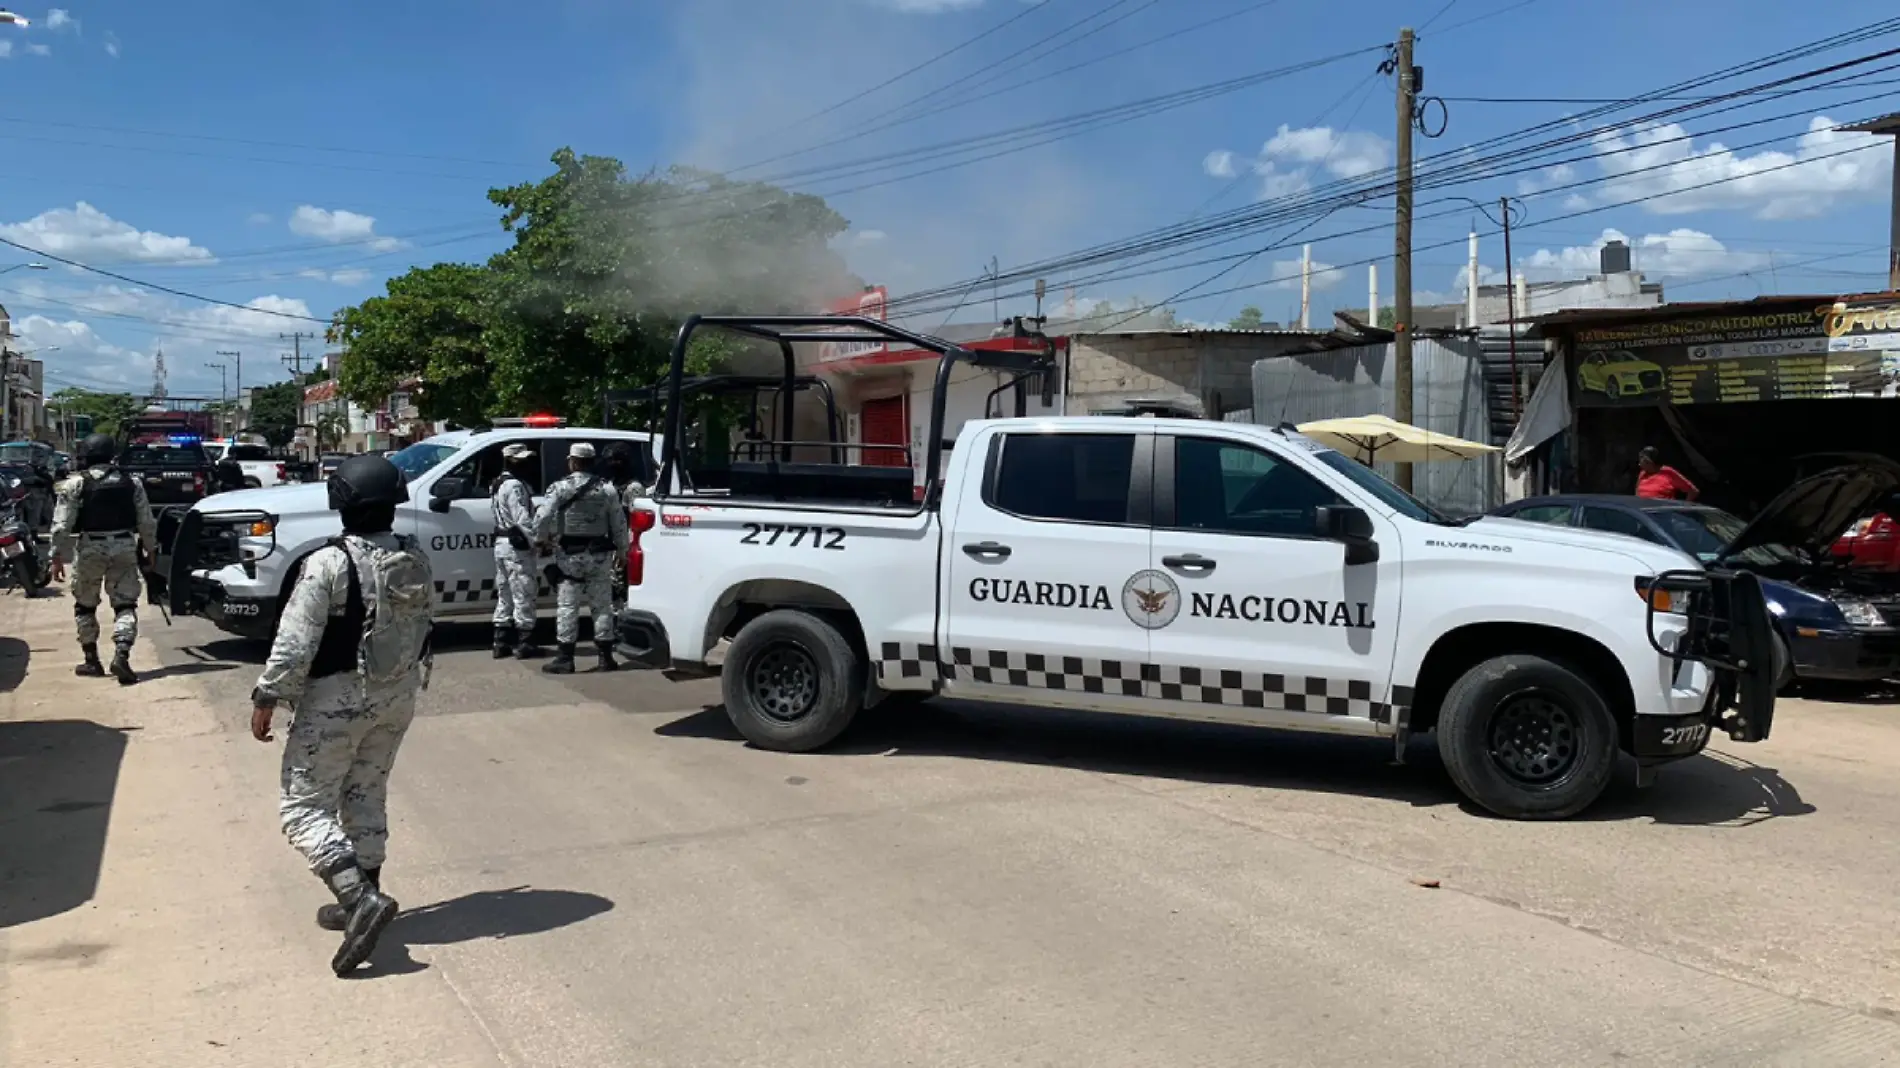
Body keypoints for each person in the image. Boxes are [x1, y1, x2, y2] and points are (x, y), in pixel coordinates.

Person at [250, 453, 435, 977]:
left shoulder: (329, 562)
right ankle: (365, 894)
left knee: (303, 807)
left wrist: (268, 696)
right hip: (396, 695)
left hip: (337, 700)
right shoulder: (415, 555)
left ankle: (359, 901)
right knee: (365, 791)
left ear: (341, 502)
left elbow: (295, 641)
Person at [49, 433, 156, 685]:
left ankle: (91, 660)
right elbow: (147, 521)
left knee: (85, 605)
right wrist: (151, 549)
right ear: (112, 455)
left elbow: (61, 525)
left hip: (90, 547)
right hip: (124, 546)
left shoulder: (76, 484)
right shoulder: (133, 483)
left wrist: (55, 556)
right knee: (125, 605)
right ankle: (122, 654)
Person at [532, 442, 629, 675]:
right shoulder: (607, 488)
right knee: (602, 606)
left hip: (570, 556)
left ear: (573, 461)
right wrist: (623, 551)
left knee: (568, 606)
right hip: (599, 555)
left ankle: (565, 658)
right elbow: (619, 523)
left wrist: (540, 540)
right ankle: (606, 658)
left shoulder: (560, 488)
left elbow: (543, 516)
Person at [490, 443, 545, 660]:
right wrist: (538, 541)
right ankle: (526, 642)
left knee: (505, 594)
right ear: (511, 461)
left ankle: (501, 640)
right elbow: (522, 518)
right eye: (522, 460)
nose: (526, 464)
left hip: (502, 544)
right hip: (515, 546)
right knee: (524, 592)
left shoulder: (497, 483)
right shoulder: (513, 486)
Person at [601, 441, 648, 512]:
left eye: (613, 460)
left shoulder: (634, 488)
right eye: (608, 461)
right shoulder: (610, 483)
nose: (610, 464)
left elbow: (635, 514)